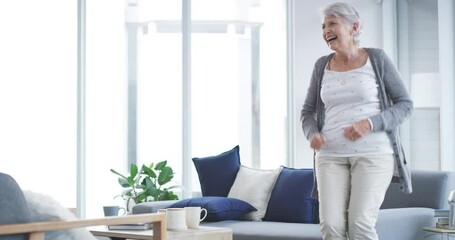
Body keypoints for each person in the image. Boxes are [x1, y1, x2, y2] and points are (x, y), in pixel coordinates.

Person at [300, 2, 413, 240]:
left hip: (373, 154)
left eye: (332, 24)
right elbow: (308, 112)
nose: (325, 31)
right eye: (323, 26)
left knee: (360, 224)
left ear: (354, 27)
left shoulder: (377, 59)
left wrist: (370, 123)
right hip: (330, 156)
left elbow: (404, 104)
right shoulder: (322, 65)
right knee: (331, 227)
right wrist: (313, 134)